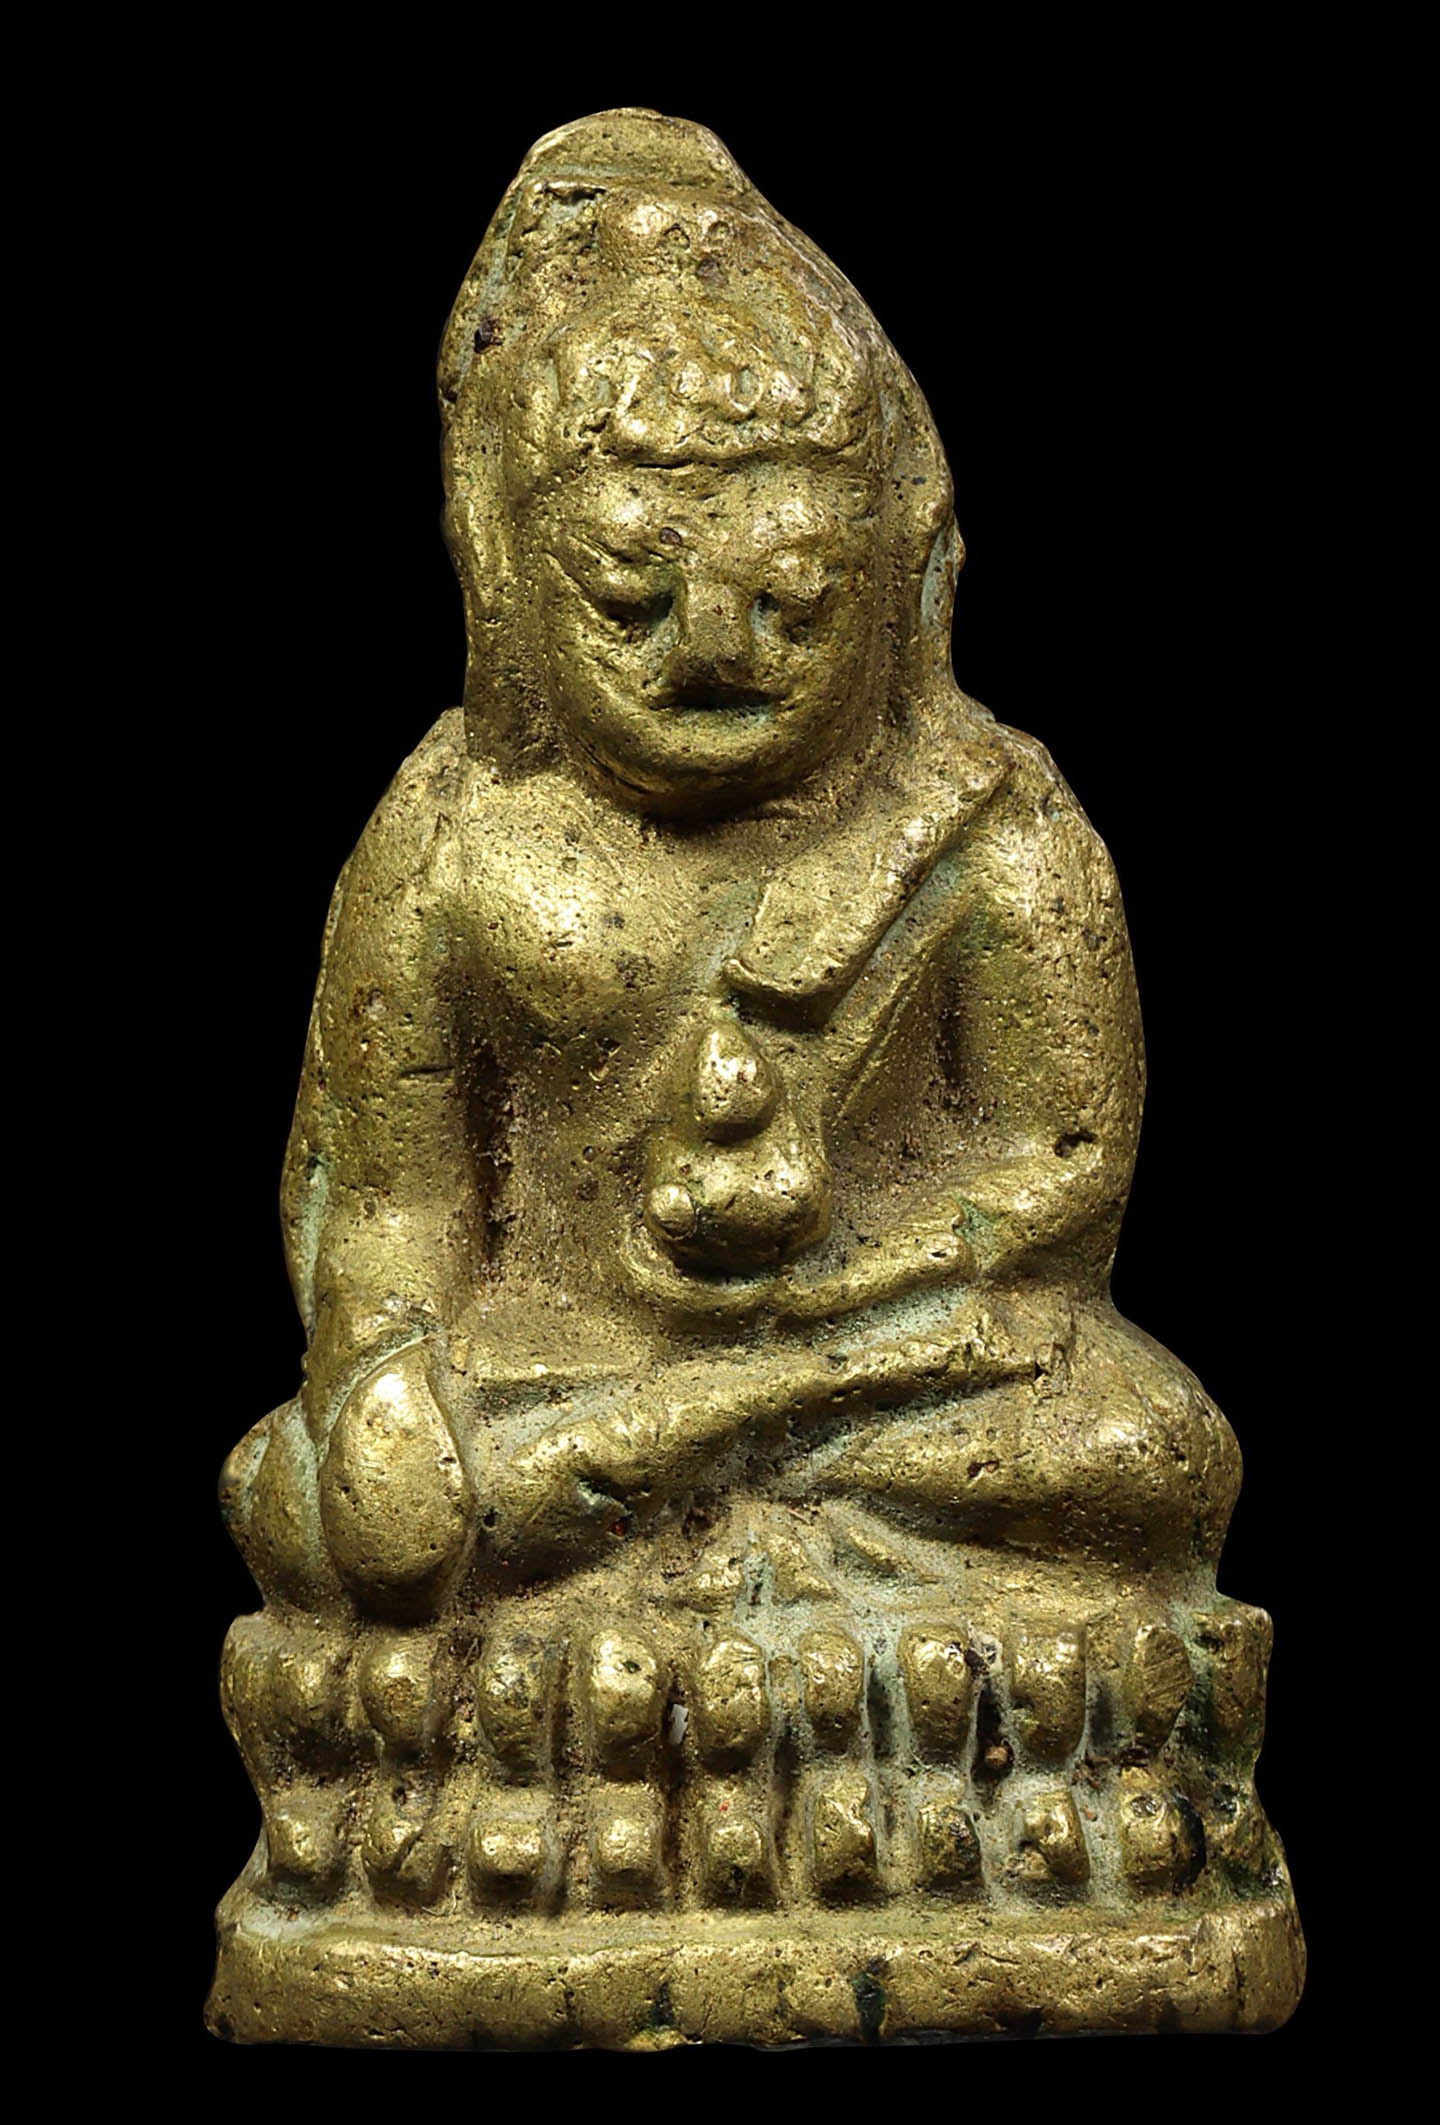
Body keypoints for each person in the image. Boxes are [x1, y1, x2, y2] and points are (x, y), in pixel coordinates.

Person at [214, 114, 1295, 2016]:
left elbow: (1063, 1164)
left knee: (1148, 1459)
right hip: (568, 1368)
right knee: (323, 1498)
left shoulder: (990, 822)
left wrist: (852, 1302)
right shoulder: (455, 837)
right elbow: (380, 1203)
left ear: (896, 572)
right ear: (511, 571)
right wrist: (378, 1376)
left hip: (905, 1369)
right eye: (631, 596)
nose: (714, 650)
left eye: (791, 601)